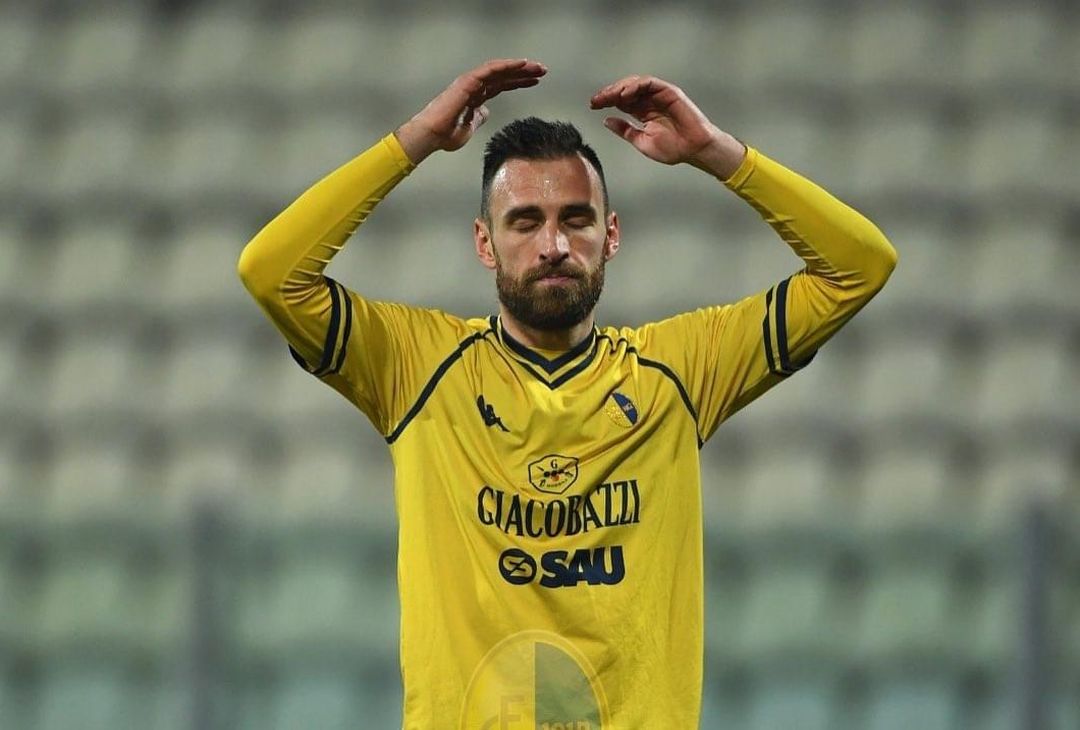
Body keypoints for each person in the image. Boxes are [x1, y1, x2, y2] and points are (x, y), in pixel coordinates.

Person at [237, 58, 896, 729]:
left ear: (611, 235)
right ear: (484, 243)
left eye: (576, 219)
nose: (553, 244)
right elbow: (270, 273)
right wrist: (415, 140)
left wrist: (713, 151)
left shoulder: (678, 372)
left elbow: (859, 267)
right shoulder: (416, 367)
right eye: (524, 222)